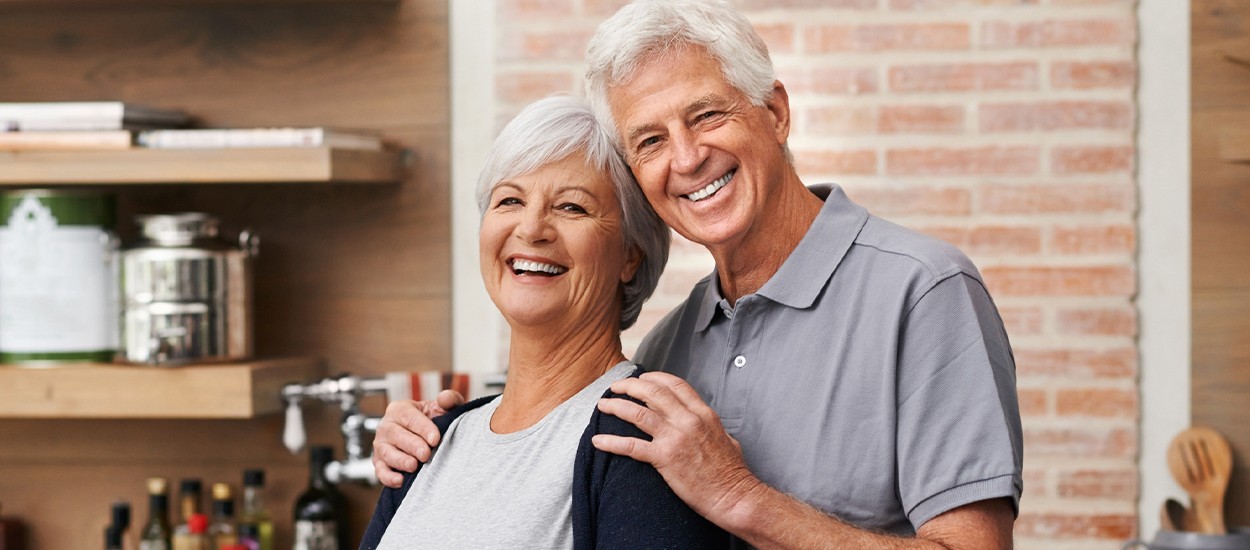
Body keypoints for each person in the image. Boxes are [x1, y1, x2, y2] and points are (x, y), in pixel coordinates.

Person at [373, 0, 1024, 547]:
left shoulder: (921, 291)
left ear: (775, 113)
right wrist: (437, 441)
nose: (686, 158)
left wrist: (744, 498)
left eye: (707, 114)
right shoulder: (669, 351)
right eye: (650, 140)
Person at [358, 95, 729, 549]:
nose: (531, 229)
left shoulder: (642, 439)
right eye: (509, 200)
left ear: (630, 255)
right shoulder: (429, 440)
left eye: (572, 207)